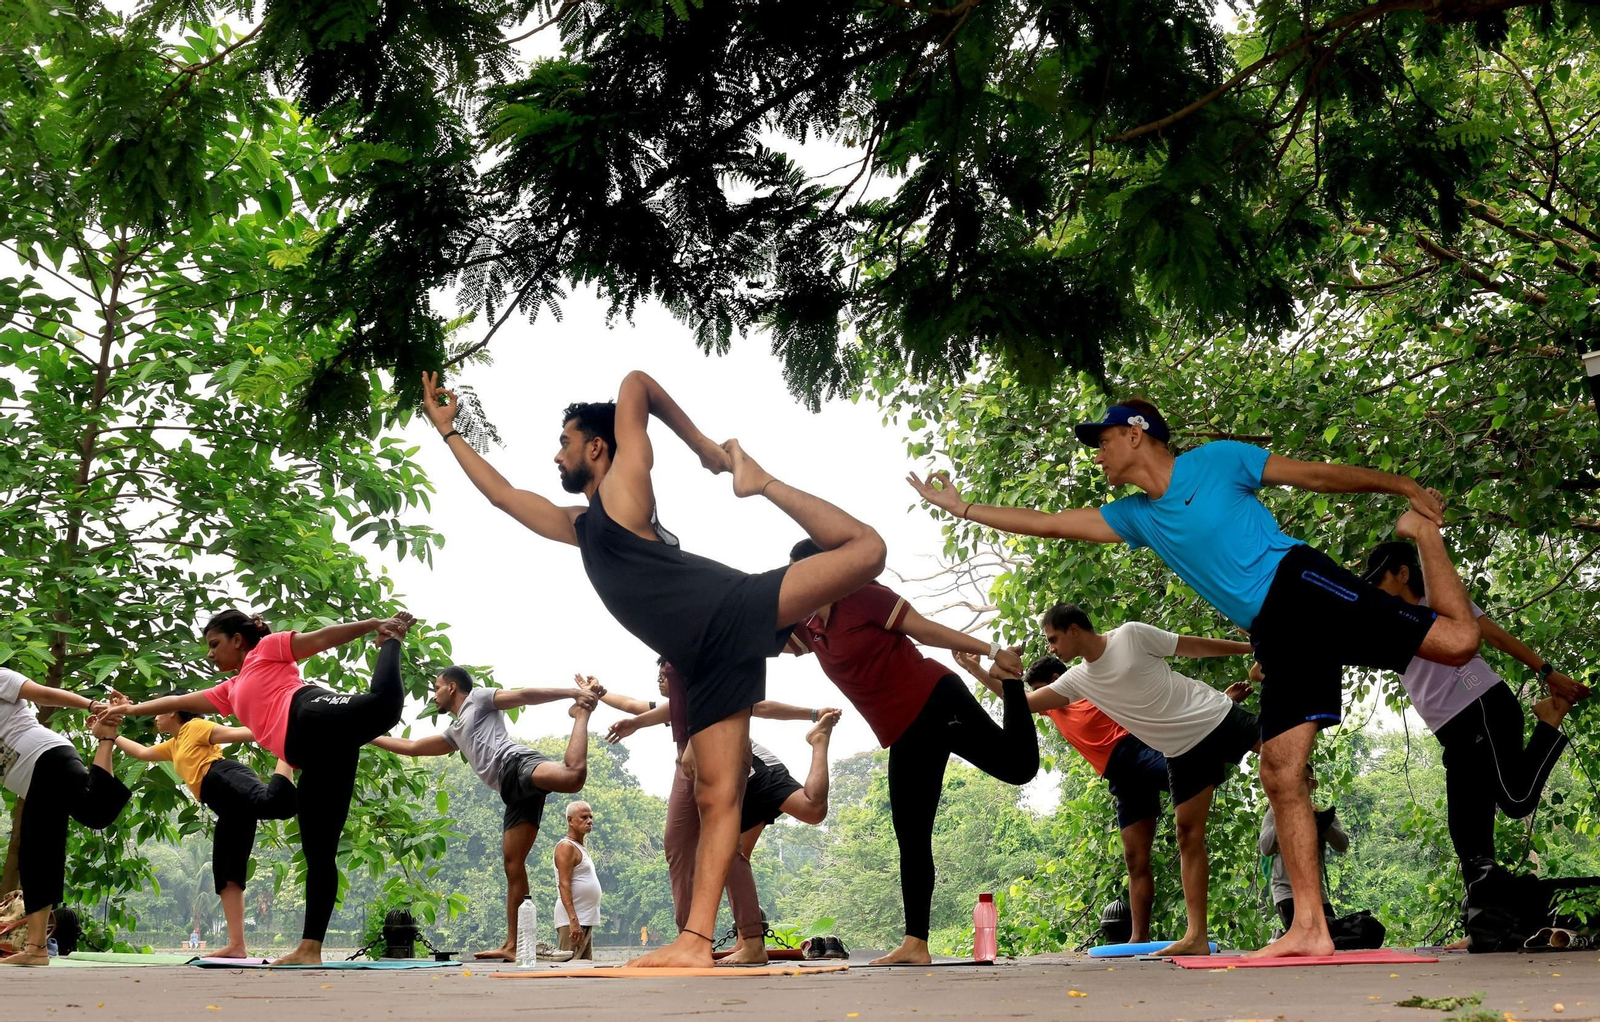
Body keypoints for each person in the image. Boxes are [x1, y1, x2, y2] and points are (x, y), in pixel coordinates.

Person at [907, 399, 1481, 957]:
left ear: (1136, 433)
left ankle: (1424, 535)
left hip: (1300, 587)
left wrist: (1401, 485)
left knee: (1458, 644)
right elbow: (1052, 524)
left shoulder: (1219, 461)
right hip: (1272, 632)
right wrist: (964, 510)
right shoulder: (1138, 516)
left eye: (1102, 442)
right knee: (1280, 771)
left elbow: (1316, 476)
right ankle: (1310, 926)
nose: (1098, 455)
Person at [421, 368, 886, 967]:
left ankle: (761, 480)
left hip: (727, 607)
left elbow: (636, 383)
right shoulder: (582, 525)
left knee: (867, 551)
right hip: (703, 658)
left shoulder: (623, 490)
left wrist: (706, 451)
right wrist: (450, 433)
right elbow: (505, 497)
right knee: (718, 798)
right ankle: (694, 944)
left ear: (597, 447)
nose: (556, 454)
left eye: (565, 441)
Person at [784, 540, 1038, 966]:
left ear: (825, 571)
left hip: (936, 700)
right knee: (911, 832)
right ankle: (916, 943)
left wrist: (991, 651)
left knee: (1019, 768)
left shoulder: (864, 595)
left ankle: (1010, 682)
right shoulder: (808, 626)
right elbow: (764, 638)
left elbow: (925, 629)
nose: (795, 583)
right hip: (903, 729)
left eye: (800, 574)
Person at [115, 608, 413, 965]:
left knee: (382, 708)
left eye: (214, 644)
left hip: (306, 711)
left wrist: (372, 625)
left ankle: (391, 640)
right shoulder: (229, 691)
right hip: (315, 756)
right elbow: (178, 702)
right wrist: (130, 711)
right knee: (319, 851)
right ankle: (310, 949)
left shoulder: (267, 650)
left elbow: (321, 638)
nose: (210, 653)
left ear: (237, 640)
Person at [1019, 603, 1257, 956]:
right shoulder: (1077, 679)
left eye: (1053, 638)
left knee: (1286, 762)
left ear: (1073, 629)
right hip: (1180, 751)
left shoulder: (1130, 634)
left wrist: (1252, 648)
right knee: (1187, 835)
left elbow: (1190, 646)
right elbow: (1024, 704)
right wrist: (992, 670)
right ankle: (1196, 937)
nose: (1051, 648)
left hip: (1215, 714)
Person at [1365, 539, 1589, 882]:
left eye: (1380, 579)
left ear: (1403, 573)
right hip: (1452, 733)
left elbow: (1496, 636)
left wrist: (1547, 672)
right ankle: (1485, 923)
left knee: (1516, 799)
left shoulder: (1442, 604)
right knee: (1470, 841)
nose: (1375, 589)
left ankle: (1550, 716)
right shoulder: (1385, 623)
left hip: (1483, 706)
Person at [597, 662, 840, 965]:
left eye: (665, 674)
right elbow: (655, 707)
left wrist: (813, 714)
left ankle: (750, 940)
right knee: (679, 844)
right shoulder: (674, 682)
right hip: (691, 756)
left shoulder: (704, 649)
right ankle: (691, 940)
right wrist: (632, 720)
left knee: (738, 845)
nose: (662, 679)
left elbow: (755, 706)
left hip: (735, 760)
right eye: (659, 676)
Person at [370, 666, 597, 961]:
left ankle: (581, 713)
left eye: (436, 687)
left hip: (517, 763)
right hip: (510, 790)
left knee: (573, 778)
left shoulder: (478, 698)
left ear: (452, 687)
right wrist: (367, 736)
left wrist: (573, 693)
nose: (433, 695)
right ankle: (514, 945)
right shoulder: (455, 730)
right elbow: (414, 747)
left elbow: (524, 695)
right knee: (513, 864)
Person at [954, 650, 1170, 946]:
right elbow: (1015, 701)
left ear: (1056, 680)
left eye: (1039, 690)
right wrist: (975, 670)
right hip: (1122, 777)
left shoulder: (1085, 687)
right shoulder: (1053, 707)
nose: (1036, 697)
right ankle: (1139, 937)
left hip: (1138, 752)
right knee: (1135, 859)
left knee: (1194, 776)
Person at [113, 705, 295, 959]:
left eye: (159, 711)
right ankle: (237, 945)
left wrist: (278, 728)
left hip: (224, 778)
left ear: (174, 712)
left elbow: (237, 733)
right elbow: (143, 753)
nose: (155, 717)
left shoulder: (194, 728)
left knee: (276, 804)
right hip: (222, 803)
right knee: (226, 874)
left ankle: (287, 750)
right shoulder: (175, 744)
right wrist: (110, 735)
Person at [0, 669, 130, 968]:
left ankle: (107, 736)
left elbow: (43, 693)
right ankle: (36, 949)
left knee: (45, 850)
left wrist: (91, 705)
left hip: (45, 755)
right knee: (39, 856)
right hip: (32, 780)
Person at [1259, 764, 1348, 930]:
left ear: (1312, 785)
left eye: (1307, 780)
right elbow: (1265, 848)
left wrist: (1321, 822)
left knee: (1333, 937)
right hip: (1286, 892)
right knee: (1304, 934)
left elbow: (1342, 845)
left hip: (1317, 894)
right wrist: (1283, 816)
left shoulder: (1322, 812)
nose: (1302, 784)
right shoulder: (1274, 813)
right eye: (1298, 779)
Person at [553, 801, 602, 959]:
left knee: (585, 971)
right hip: (573, 921)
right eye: (583, 817)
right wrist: (573, 920)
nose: (589, 821)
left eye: (590, 817)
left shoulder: (579, 847)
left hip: (585, 919)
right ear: (570, 820)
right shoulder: (566, 847)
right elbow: (564, 884)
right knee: (569, 967)